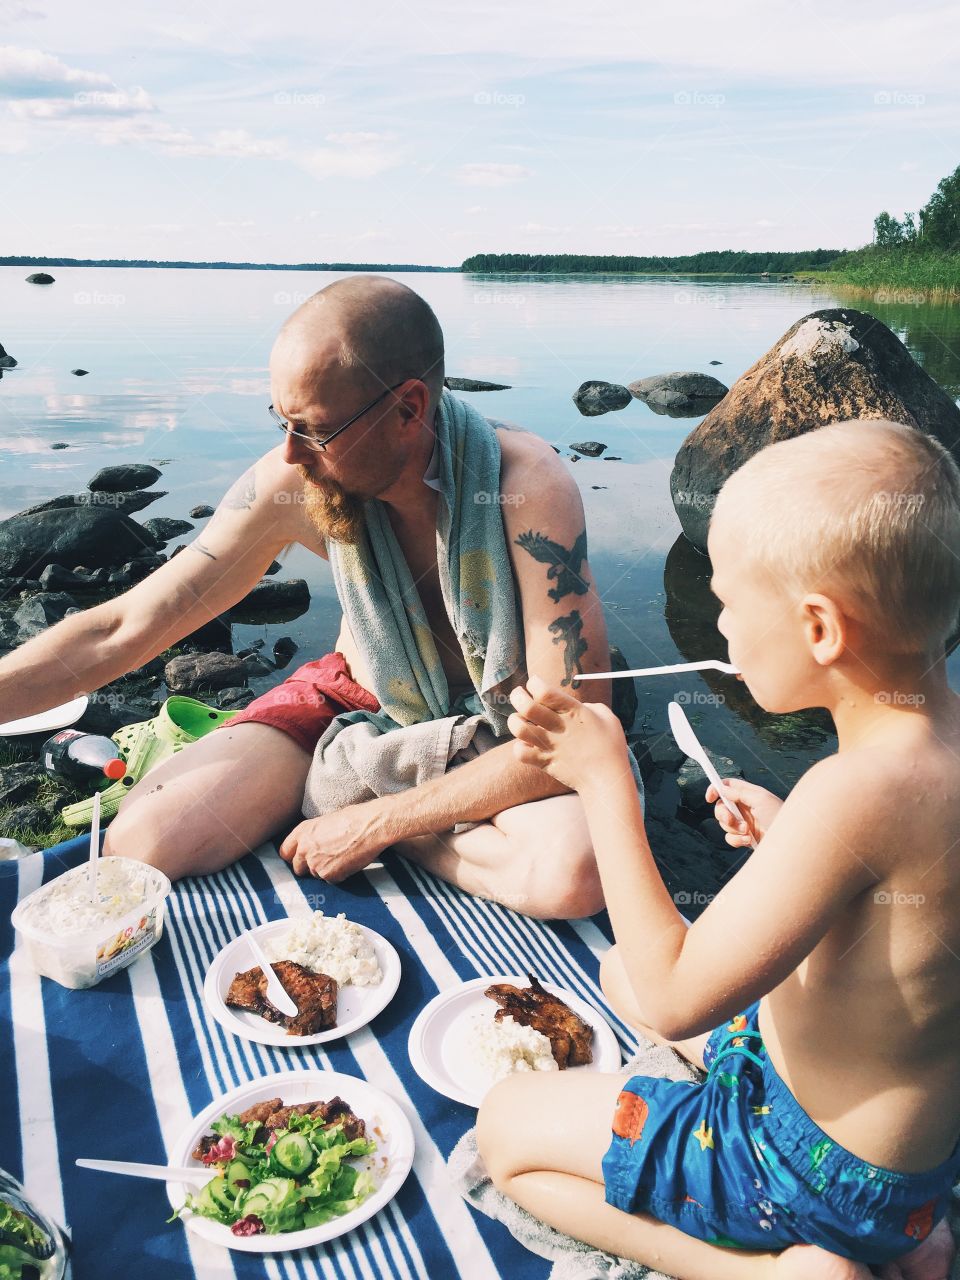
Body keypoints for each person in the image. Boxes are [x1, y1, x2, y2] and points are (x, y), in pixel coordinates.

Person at [477, 419, 960, 1278]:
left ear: (818, 629)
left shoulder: (851, 794)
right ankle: (909, 1246)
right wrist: (788, 839)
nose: (719, 626)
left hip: (803, 1169)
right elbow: (900, 934)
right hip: (907, 1173)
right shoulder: (924, 760)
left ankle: (775, 1270)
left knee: (507, 1128)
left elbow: (672, 1003)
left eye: (729, 602)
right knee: (612, 973)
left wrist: (605, 781)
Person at [0, 275, 626, 918]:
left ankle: (358, 804)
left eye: (315, 429)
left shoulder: (525, 487)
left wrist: (377, 824)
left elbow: (577, 731)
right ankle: (368, 790)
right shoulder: (296, 480)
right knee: (144, 841)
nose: (291, 453)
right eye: (281, 421)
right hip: (359, 701)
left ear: (409, 409)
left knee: (572, 875)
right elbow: (124, 627)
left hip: (499, 727)